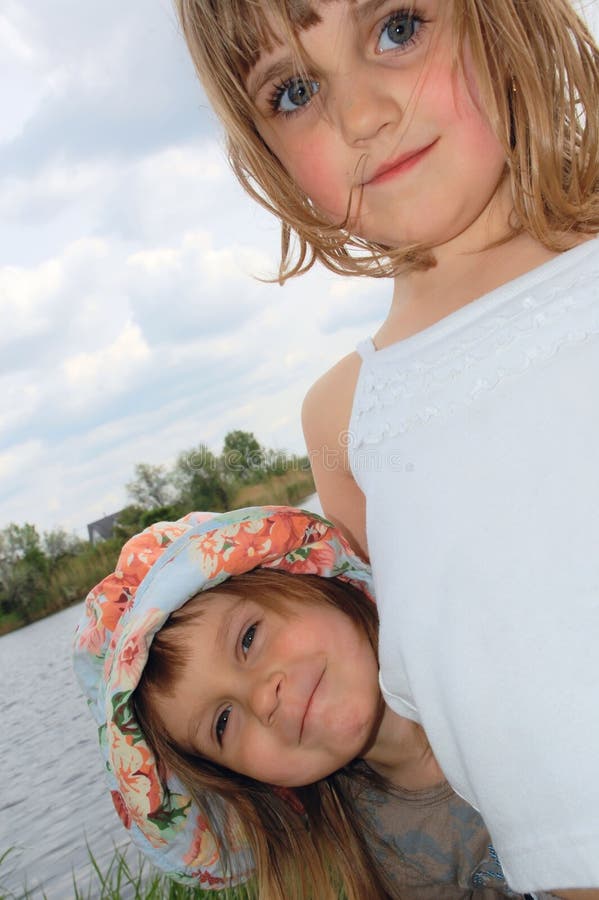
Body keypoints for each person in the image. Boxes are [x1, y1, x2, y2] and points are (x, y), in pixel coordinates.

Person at [171, 1, 599, 897]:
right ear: (266, 152)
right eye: (293, 91)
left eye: (397, 28)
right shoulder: (345, 419)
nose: (362, 113)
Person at [73, 506, 552, 900]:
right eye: (222, 723)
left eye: (248, 638)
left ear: (310, 580)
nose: (262, 697)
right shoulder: (388, 861)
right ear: (241, 779)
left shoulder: (507, 643)